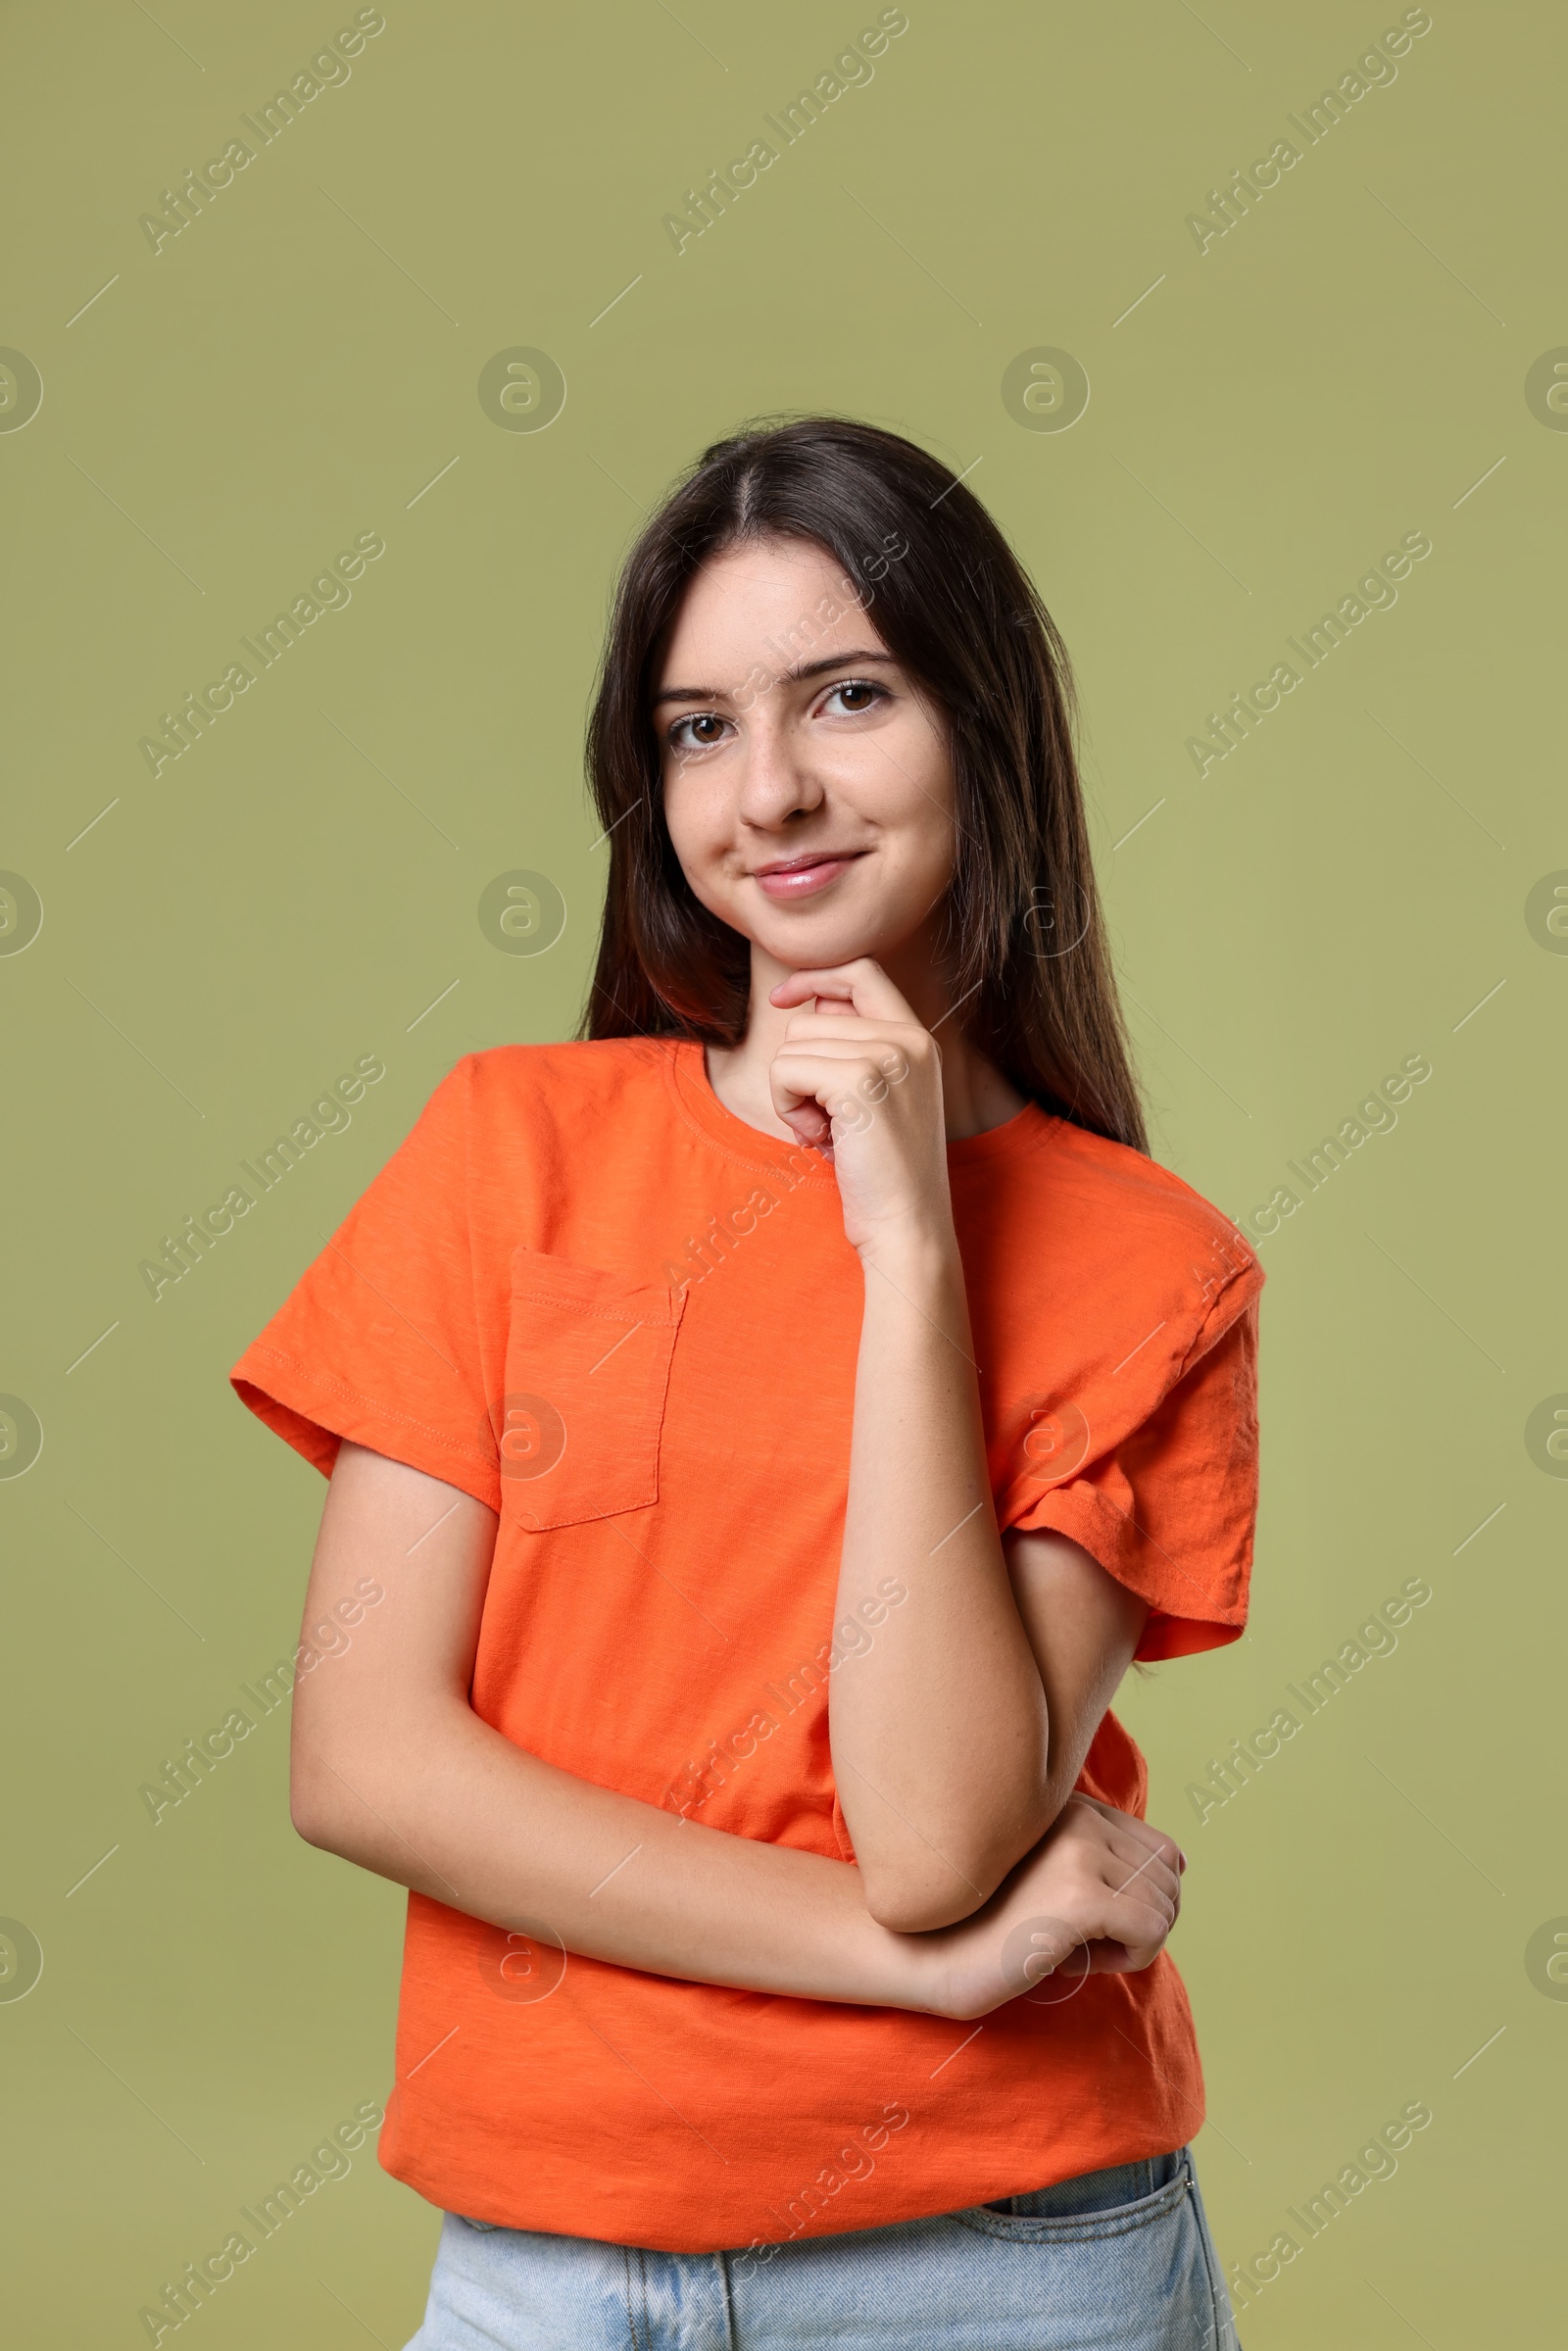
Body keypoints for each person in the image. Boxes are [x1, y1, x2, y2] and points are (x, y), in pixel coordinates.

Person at [231, 416, 1263, 2349]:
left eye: (845, 698)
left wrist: (911, 1249)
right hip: (546, 2252)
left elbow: (938, 1831)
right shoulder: (506, 1153)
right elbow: (362, 1756)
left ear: (986, 732)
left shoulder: (1148, 1269)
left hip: (1001, 2260)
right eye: (699, 728)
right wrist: (920, 1973)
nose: (768, 791)